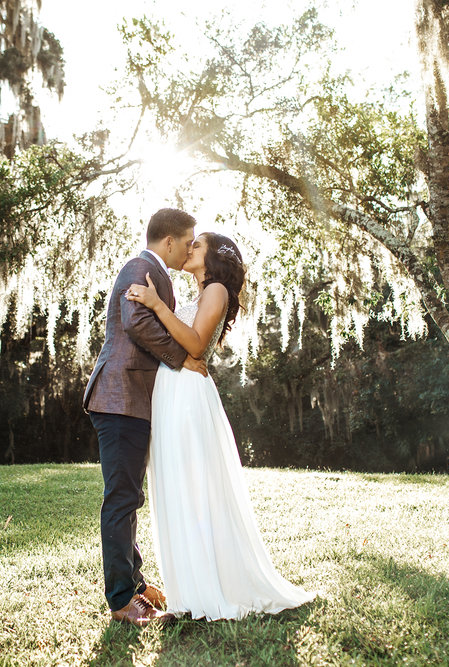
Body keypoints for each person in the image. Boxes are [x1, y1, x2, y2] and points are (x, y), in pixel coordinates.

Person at [126, 232, 316, 621]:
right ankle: (189, 592)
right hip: (174, 390)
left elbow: (196, 345)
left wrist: (157, 305)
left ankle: (205, 595)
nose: (188, 248)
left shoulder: (216, 290)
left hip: (188, 396)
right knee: (178, 487)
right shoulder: (201, 293)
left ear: (213, 258)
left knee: (193, 489)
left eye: (197, 245)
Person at [82, 208, 208, 627]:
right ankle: (121, 599)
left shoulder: (155, 272)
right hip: (120, 399)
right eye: (188, 242)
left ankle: (132, 583)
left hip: (133, 401)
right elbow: (135, 321)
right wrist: (181, 359)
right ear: (168, 242)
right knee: (121, 498)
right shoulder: (141, 267)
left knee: (129, 495)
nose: (191, 249)